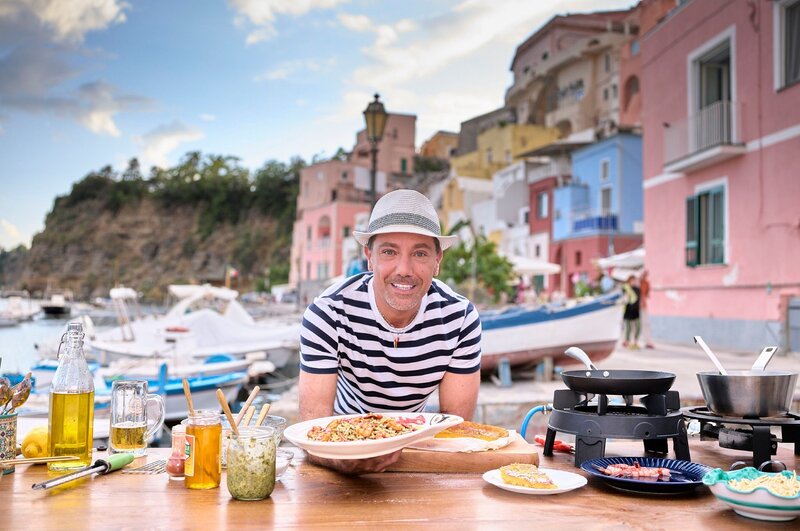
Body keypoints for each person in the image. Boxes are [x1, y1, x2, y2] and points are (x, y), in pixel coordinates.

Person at [298, 189, 482, 474]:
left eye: (420, 253)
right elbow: (313, 431)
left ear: (437, 260)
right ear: (369, 257)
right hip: (341, 450)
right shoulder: (328, 313)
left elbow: (455, 425)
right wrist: (347, 460)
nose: (404, 269)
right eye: (389, 252)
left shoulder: (460, 318)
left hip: (416, 451)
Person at [622, 275, 641, 349]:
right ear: (629, 281)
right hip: (628, 310)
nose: (633, 282)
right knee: (628, 327)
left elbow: (637, 299)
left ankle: (635, 340)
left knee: (637, 326)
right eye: (632, 280)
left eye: (634, 280)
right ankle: (627, 340)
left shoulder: (637, 289)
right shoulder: (625, 288)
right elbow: (623, 298)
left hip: (635, 310)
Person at [639, 269, 654, 348]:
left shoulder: (646, 283)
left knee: (646, 324)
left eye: (646, 274)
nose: (644, 276)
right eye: (643, 274)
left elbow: (647, 294)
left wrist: (643, 299)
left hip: (643, 306)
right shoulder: (636, 283)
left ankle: (648, 342)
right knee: (634, 324)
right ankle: (631, 341)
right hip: (634, 307)